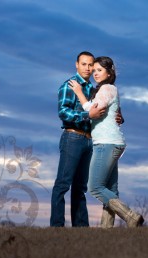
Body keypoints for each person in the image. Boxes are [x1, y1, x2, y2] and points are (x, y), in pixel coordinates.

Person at [69, 56, 144, 228]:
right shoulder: (107, 90)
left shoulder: (108, 88)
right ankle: (106, 230)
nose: (95, 73)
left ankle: (131, 216)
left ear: (109, 73)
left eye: (99, 70)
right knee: (110, 189)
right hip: (111, 142)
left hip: (106, 143)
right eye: (94, 70)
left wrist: (79, 93)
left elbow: (95, 110)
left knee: (95, 186)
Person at [50, 51, 123, 227]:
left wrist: (120, 117)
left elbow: (107, 110)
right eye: (84, 64)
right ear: (77, 65)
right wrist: (86, 114)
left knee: (80, 187)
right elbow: (63, 112)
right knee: (63, 183)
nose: (88, 68)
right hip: (73, 137)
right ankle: (57, 226)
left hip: (91, 141)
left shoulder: (95, 89)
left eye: (91, 65)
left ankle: (81, 227)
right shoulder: (69, 85)